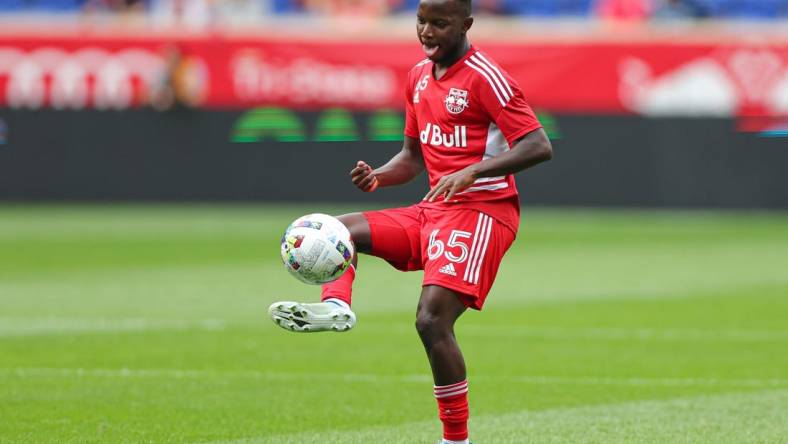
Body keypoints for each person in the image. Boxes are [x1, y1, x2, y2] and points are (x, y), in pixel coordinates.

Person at [268, 0, 552, 442]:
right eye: (422, 21)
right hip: (434, 210)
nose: (428, 32)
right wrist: (378, 176)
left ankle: (455, 439)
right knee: (333, 228)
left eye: (440, 23)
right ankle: (337, 306)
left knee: (431, 320)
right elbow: (413, 157)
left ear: (466, 24)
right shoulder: (418, 77)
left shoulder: (487, 78)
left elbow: (538, 145)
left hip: (483, 213)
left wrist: (474, 170)